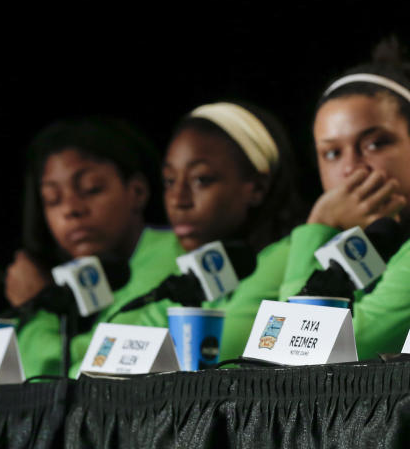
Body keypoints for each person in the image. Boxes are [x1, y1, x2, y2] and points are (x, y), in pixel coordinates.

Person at [278, 40, 410, 359]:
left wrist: (319, 225)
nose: (352, 168)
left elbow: (303, 354)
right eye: (332, 153)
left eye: (375, 144)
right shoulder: (365, 240)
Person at [70, 101, 305, 369]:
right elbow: (91, 367)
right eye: (170, 181)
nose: (178, 200)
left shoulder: (287, 253)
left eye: (201, 179)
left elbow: (207, 361)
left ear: (257, 187)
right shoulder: (205, 265)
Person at [7, 118, 181, 377]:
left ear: (138, 191)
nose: (71, 209)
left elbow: (71, 374)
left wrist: (37, 309)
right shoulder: (86, 272)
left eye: (91, 189)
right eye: (53, 200)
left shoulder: (172, 255)